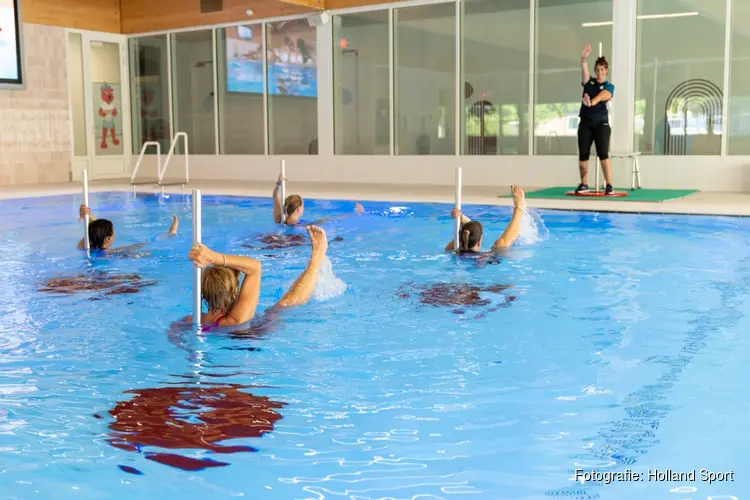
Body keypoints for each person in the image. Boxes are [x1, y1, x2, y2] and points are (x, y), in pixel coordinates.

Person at [184, 225, 329, 328]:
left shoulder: (192, 320)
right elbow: (255, 268)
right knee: (280, 308)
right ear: (234, 292)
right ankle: (316, 260)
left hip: (230, 344)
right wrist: (214, 257)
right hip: (253, 336)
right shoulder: (234, 320)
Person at [576, 43, 615, 195]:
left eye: (602, 69)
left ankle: (609, 185)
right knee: (583, 153)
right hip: (586, 123)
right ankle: (584, 184)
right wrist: (583, 59)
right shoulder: (589, 83)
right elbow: (585, 73)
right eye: (597, 69)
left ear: (606, 71)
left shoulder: (609, 86)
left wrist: (591, 102)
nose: (599, 72)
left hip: (601, 124)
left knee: (603, 154)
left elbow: (604, 96)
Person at [444, 185, 526, 253]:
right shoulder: (482, 260)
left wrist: (461, 217)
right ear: (479, 242)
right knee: (499, 248)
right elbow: (503, 242)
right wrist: (519, 209)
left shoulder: (451, 251)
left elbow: (466, 232)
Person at [77, 204, 178, 253]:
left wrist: (87, 215)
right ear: (109, 239)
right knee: (138, 246)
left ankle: (169, 234)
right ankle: (170, 235)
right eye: (113, 232)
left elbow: (93, 228)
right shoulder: (111, 253)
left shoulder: (84, 248)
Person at [272, 174, 363, 225]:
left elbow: (275, 196)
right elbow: (331, 218)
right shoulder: (305, 226)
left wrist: (278, 184)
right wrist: (355, 213)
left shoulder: (279, 219)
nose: (304, 208)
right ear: (298, 209)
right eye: (303, 206)